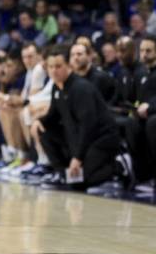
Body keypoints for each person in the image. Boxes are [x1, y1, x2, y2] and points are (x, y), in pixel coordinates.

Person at [31, 46, 132, 190]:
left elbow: (88, 126)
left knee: (84, 180)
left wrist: (77, 158)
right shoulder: (57, 87)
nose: (54, 70)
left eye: (58, 66)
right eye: (50, 66)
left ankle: (117, 167)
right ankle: (64, 173)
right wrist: (39, 121)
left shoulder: (81, 88)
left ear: (68, 66)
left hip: (101, 138)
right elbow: (53, 115)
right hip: (79, 137)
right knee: (44, 132)